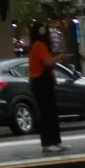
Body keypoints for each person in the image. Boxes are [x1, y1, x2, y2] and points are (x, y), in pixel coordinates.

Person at [29, 19, 71, 153]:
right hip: (41, 82)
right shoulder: (39, 45)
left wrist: (57, 58)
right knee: (47, 113)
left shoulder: (40, 46)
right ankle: (47, 143)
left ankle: (55, 141)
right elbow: (48, 63)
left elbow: (49, 64)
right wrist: (60, 57)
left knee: (51, 112)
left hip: (44, 81)